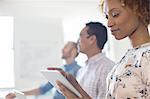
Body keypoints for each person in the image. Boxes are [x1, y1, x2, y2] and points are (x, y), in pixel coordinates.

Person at [56, 0, 150, 99]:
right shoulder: (127, 59)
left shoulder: (147, 55)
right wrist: (75, 88)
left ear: (140, 10)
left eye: (115, 14)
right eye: (107, 17)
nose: (109, 23)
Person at [6, 41, 81, 99]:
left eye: (66, 47)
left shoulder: (79, 71)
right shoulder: (61, 70)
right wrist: (17, 93)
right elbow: (43, 89)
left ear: (74, 51)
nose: (62, 49)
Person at [76, 22, 114, 99]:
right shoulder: (81, 71)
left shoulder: (107, 68)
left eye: (80, 36)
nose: (77, 41)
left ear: (92, 39)